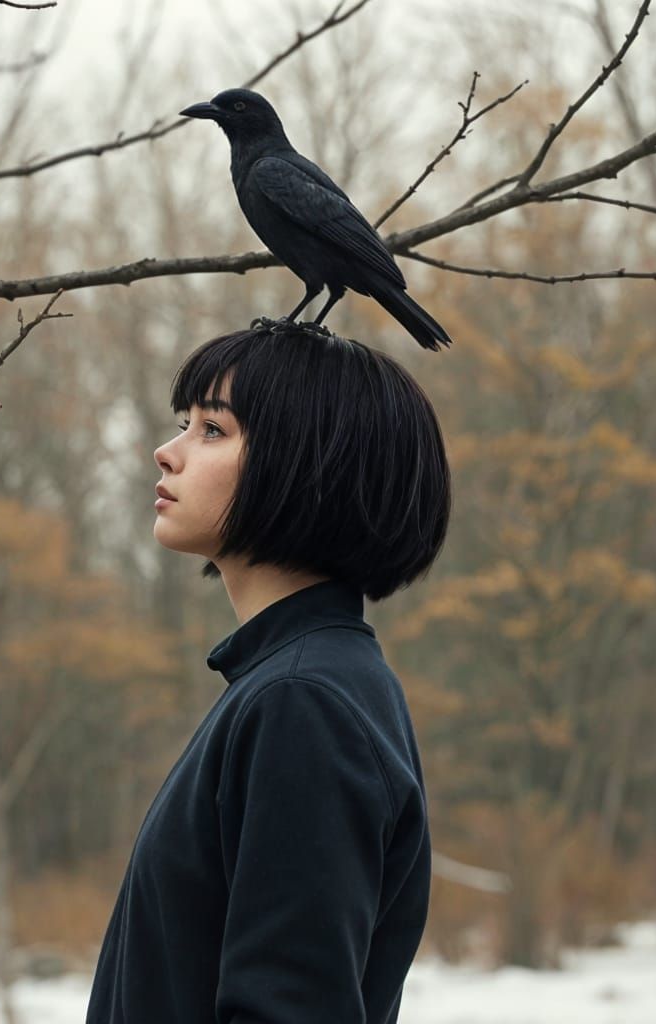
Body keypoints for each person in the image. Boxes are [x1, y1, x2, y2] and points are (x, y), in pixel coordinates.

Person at [85, 321, 451, 1024]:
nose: (168, 453)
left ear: (307, 463)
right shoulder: (300, 683)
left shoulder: (303, 701)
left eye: (212, 430)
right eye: (182, 425)